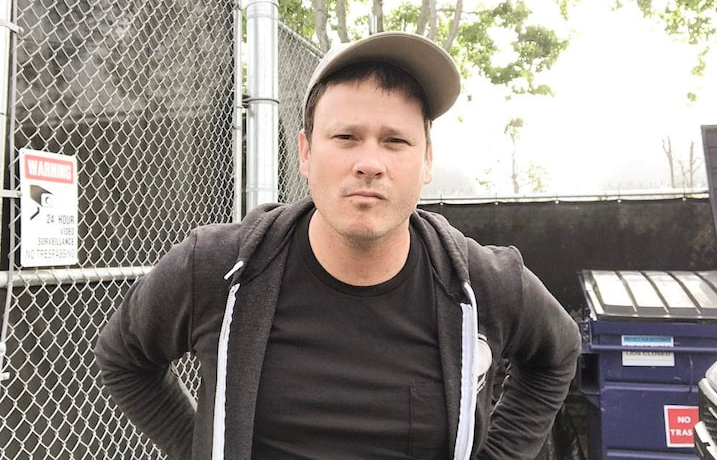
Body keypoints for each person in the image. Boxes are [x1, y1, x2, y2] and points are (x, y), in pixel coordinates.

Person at [94, 31, 581, 460]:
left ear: (427, 161)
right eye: (346, 137)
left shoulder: (482, 283)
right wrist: (197, 447)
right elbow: (124, 358)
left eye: (395, 141)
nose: (369, 162)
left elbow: (557, 355)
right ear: (306, 152)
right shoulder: (218, 267)